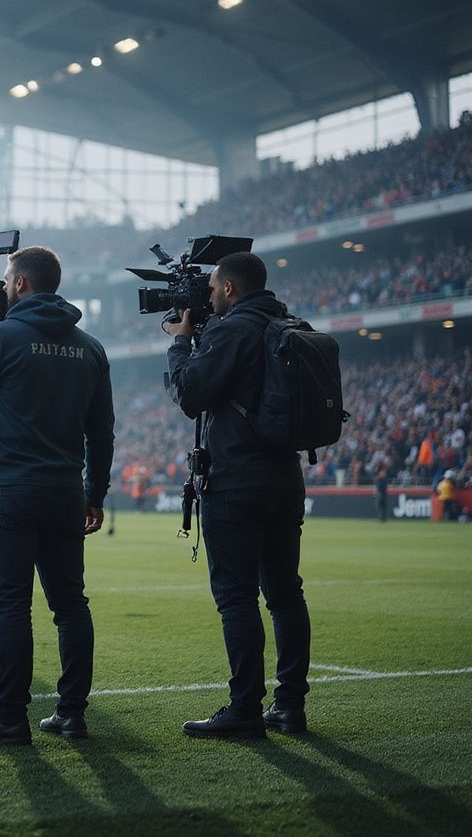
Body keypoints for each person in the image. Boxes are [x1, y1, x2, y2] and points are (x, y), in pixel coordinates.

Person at [0, 245, 114, 745]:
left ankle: (10, 718)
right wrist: (94, 494)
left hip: (9, 490)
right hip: (65, 494)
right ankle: (72, 714)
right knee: (71, 605)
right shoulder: (90, 347)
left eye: (7, 279)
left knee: (11, 607)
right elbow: (102, 432)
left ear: (20, 285)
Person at [167, 251, 310, 739]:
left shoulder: (232, 330)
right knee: (286, 593)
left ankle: (245, 707)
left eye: (210, 289)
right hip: (286, 478)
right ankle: (289, 705)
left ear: (229, 289)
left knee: (236, 597)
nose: (206, 297)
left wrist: (181, 344)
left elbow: (189, 394)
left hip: (235, 480)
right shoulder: (290, 323)